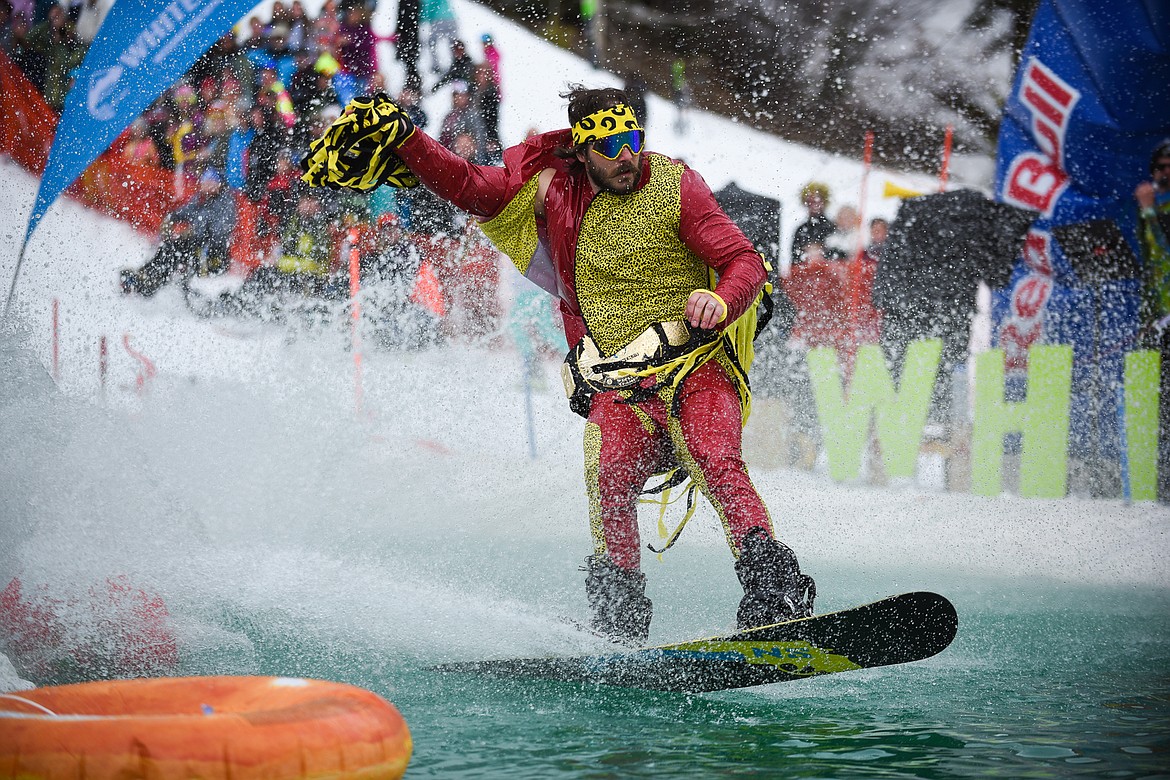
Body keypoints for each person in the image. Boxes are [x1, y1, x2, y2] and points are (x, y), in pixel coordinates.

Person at [300, 85, 817, 644]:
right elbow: (469, 185)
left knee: (713, 457)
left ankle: (774, 589)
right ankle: (619, 618)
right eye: (612, 143)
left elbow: (741, 259)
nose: (627, 155)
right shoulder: (551, 193)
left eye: (633, 138)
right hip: (620, 381)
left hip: (696, 365)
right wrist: (407, 138)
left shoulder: (674, 185)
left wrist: (721, 298)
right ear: (581, 150)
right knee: (607, 476)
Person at [121, 169, 238, 296]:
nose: (207, 186)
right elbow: (184, 211)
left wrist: (196, 231)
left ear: (218, 184)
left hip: (213, 252)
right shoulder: (200, 198)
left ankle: (153, 280)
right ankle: (148, 274)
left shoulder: (225, 201)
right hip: (196, 244)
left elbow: (220, 229)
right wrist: (171, 219)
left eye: (211, 183)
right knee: (169, 247)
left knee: (176, 252)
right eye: (205, 182)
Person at [1136, 139, 1170, 503]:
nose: (1162, 173)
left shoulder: (1154, 207)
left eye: (1168, 166)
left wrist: (1148, 212)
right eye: (1158, 166)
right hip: (1161, 319)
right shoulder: (1154, 204)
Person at [790, 181, 836, 267]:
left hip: (830, 276)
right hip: (805, 276)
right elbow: (794, 261)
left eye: (818, 201)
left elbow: (839, 256)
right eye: (811, 201)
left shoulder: (833, 227)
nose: (815, 205)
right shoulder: (800, 230)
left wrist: (822, 253)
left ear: (824, 202)